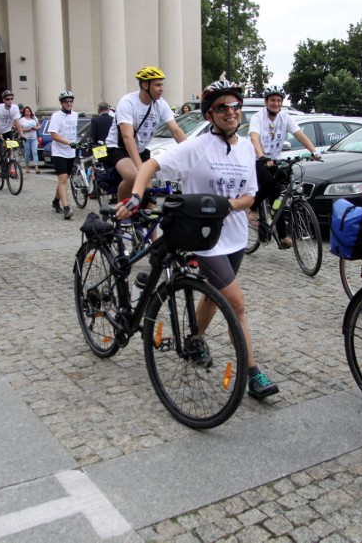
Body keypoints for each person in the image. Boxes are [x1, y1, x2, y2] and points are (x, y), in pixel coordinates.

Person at [116, 79, 279, 400]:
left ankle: (194, 340)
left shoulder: (246, 147)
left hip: (234, 237)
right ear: (209, 114)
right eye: (222, 108)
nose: (230, 112)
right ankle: (253, 373)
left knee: (211, 296)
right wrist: (136, 196)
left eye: (235, 106)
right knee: (236, 304)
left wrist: (228, 206)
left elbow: (250, 195)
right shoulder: (198, 147)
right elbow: (150, 165)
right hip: (203, 239)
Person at [248, 84, 321, 248]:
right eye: (273, 100)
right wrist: (261, 156)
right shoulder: (258, 117)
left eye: (279, 101)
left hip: (274, 160)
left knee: (278, 195)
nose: (276, 104)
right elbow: (254, 138)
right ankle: (251, 207)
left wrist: (314, 151)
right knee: (271, 185)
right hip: (256, 159)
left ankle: (282, 236)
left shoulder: (285, 118)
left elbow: (299, 134)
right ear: (266, 102)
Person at [104, 66, 186, 201]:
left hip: (141, 149)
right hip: (119, 148)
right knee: (135, 178)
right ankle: (122, 213)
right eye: (157, 85)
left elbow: (176, 131)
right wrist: (140, 167)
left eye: (162, 85)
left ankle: (148, 218)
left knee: (148, 191)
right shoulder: (128, 102)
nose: (162, 89)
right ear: (145, 85)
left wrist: (192, 153)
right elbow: (127, 136)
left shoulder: (161, 104)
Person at [47, 91, 79, 218]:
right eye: (66, 102)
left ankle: (55, 201)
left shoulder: (75, 115)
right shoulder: (56, 116)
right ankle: (66, 208)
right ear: (61, 103)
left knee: (64, 179)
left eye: (70, 101)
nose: (69, 103)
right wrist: (68, 143)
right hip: (59, 152)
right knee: (63, 178)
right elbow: (54, 135)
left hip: (71, 153)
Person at [0, 90, 23, 169]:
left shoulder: (15, 107)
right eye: (8, 99)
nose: (10, 101)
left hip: (7, 130)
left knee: (10, 148)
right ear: (4, 100)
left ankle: (11, 169)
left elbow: (17, 122)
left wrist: (22, 135)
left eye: (11, 99)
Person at [19, 106, 40, 174]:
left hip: (34, 137)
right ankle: (27, 166)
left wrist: (36, 128)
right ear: (24, 112)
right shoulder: (22, 120)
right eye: (26, 111)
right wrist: (27, 130)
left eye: (28, 111)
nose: (27, 112)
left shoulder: (34, 118)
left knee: (35, 152)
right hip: (26, 138)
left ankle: (36, 166)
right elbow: (20, 129)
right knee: (27, 153)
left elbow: (39, 125)